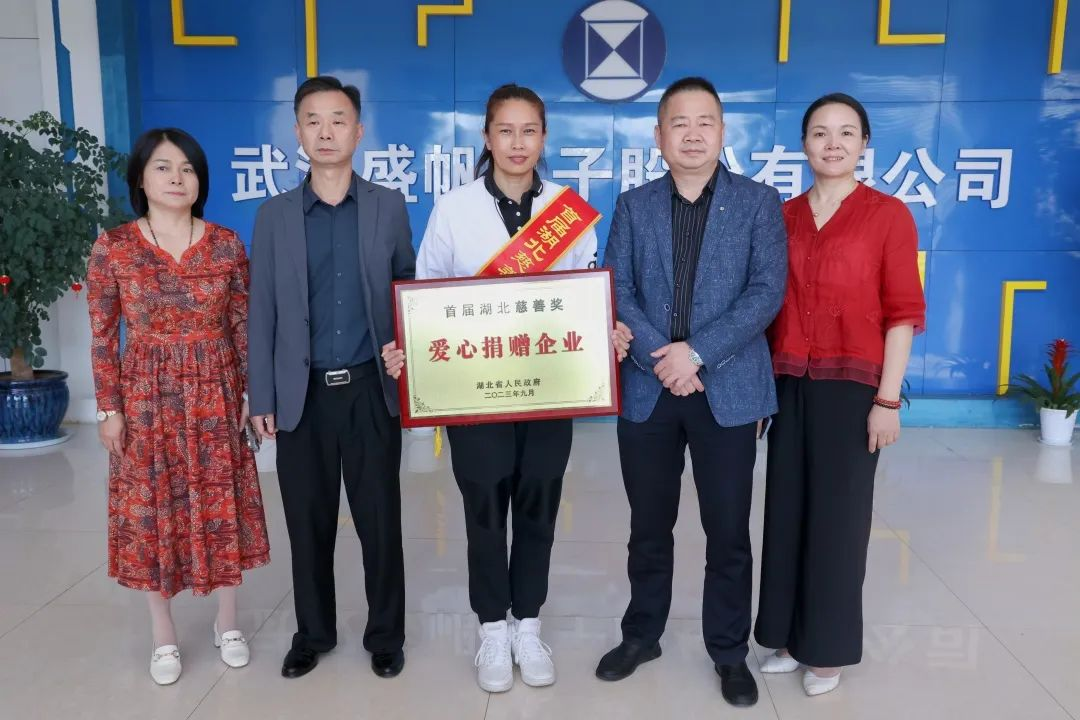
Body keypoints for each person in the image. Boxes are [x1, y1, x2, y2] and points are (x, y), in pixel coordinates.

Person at [382, 83, 630, 693]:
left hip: (550, 390)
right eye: (505, 131)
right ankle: (493, 627)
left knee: (540, 505)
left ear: (544, 138)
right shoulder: (454, 209)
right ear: (487, 138)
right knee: (485, 509)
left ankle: (528, 624)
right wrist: (408, 346)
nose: (518, 143)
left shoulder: (566, 212)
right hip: (476, 393)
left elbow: (584, 294)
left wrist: (606, 332)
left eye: (529, 131)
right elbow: (427, 293)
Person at [597, 76, 787, 708]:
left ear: (723, 132)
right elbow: (617, 288)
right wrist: (665, 359)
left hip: (727, 388)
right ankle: (642, 634)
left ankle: (728, 651)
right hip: (649, 389)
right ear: (659, 136)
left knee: (728, 530)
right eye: (679, 123)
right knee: (648, 525)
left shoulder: (759, 202)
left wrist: (696, 353)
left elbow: (765, 292)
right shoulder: (634, 205)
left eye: (706, 122)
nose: (693, 134)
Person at [754, 93, 925, 697]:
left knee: (838, 520)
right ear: (803, 144)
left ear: (864, 144)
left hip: (853, 389)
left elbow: (902, 313)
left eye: (846, 133)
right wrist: (758, 396)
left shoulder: (888, 215)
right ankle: (784, 636)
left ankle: (825, 652)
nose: (833, 144)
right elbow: (763, 310)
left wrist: (888, 400)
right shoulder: (781, 215)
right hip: (788, 384)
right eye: (820, 133)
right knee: (785, 512)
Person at [246, 75, 416, 680]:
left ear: (359, 131)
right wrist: (260, 396)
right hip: (303, 394)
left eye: (338, 120)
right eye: (313, 121)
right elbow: (261, 310)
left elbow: (406, 291)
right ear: (297, 132)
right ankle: (312, 633)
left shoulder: (387, 206)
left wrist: (407, 354)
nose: (326, 132)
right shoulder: (274, 216)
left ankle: (385, 636)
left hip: (371, 388)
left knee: (380, 521)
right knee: (308, 522)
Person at [87, 127, 270, 685]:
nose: (176, 178)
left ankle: (227, 622)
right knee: (152, 509)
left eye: (188, 169)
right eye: (163, 167)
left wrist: (252, 396)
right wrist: (108, 409)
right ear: (141, 180)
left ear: (200, 182)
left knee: (222, 503)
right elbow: (103, 335)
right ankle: (163, 633)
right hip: (146, 397)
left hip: (216, 393)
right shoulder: (114, 248)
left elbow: (243, 327)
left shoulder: (226, 245)